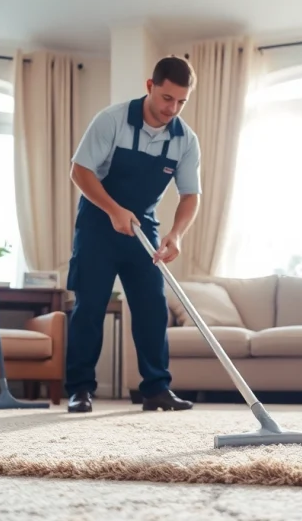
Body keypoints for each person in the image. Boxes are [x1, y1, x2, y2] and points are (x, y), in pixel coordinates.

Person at [65, 56, 202, 414]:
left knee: (152, 308)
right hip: (98, 223)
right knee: (90, 306)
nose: (172, 108)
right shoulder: (112, 121)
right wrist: (113, 210)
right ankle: (80, 388)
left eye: (181, 101)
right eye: (167, 98)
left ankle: (156, 388)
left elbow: (190, 195)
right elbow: (80, 172)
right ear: (150, 86)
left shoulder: (184, 139)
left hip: (143, 226)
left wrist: (176, 233)